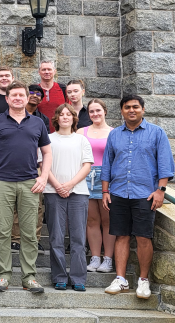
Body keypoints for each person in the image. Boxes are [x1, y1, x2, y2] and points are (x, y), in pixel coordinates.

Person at [0, 81, 51, 294]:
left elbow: (47, 152)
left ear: (27, 98)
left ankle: (29, 277)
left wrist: (44, 177)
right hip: (2, 183)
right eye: (14, 95)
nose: (18, 98)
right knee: (2, 232)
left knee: (29, 233)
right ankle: (3, 275)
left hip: (30, 183)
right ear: (8, 99)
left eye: (22, 95)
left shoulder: (37, 123)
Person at [102, 95, 174, 299]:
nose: (131, 110)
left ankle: (143, 281)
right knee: (121, 235)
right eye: (127, 107)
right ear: (122, 111)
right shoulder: (114, 134)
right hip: (118, 192)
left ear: (143, 109)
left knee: (143, 237)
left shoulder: (157, 133)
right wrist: (105, 191)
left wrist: (161, 190)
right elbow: (107, 164)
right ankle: (121, 279)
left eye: (135, 107)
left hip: (145, 194)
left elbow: (165, 163)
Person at [44, 103, 93, 292]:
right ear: (56, 118)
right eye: (61, 114)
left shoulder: (81, 140)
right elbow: (43, 166)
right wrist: (57, 185)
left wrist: (70, 184)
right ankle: (59, 277)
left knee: (78, 237)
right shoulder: (48, 140)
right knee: (56, 236)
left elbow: (87, 166)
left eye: (68, 114)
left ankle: (78, 277)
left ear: (74, 118)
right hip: (52, 191)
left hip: (78, 192)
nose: (65, 117)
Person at [10, 83, 50, 252]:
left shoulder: (42, 120)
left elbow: (44, 147)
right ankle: (16, 238)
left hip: (35, 166)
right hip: (13, 167)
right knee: (15, 206)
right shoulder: (10, 116)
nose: (34, 95)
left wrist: (43, 171)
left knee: (37, 207)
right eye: (31, 92)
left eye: (38, 93)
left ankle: (35, 238)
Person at [81, 99, 115, 273]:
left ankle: (108, 259)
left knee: (107, 220)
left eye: (98, 110)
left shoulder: (114, 133)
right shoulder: (82, 132)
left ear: (105, 111)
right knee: (91, 220)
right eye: (91, 111)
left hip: (106, 178)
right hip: (86, 177)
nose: (95, 114)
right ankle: (95, 258)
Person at [37, 60, 67, 132]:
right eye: (44, 70)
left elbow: (70, 112)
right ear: (39, 72)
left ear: (54, 71)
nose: (47, 72)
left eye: (49, 69)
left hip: (60, 133)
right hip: (39, 134)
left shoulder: (63, 90)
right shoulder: (34, 92)